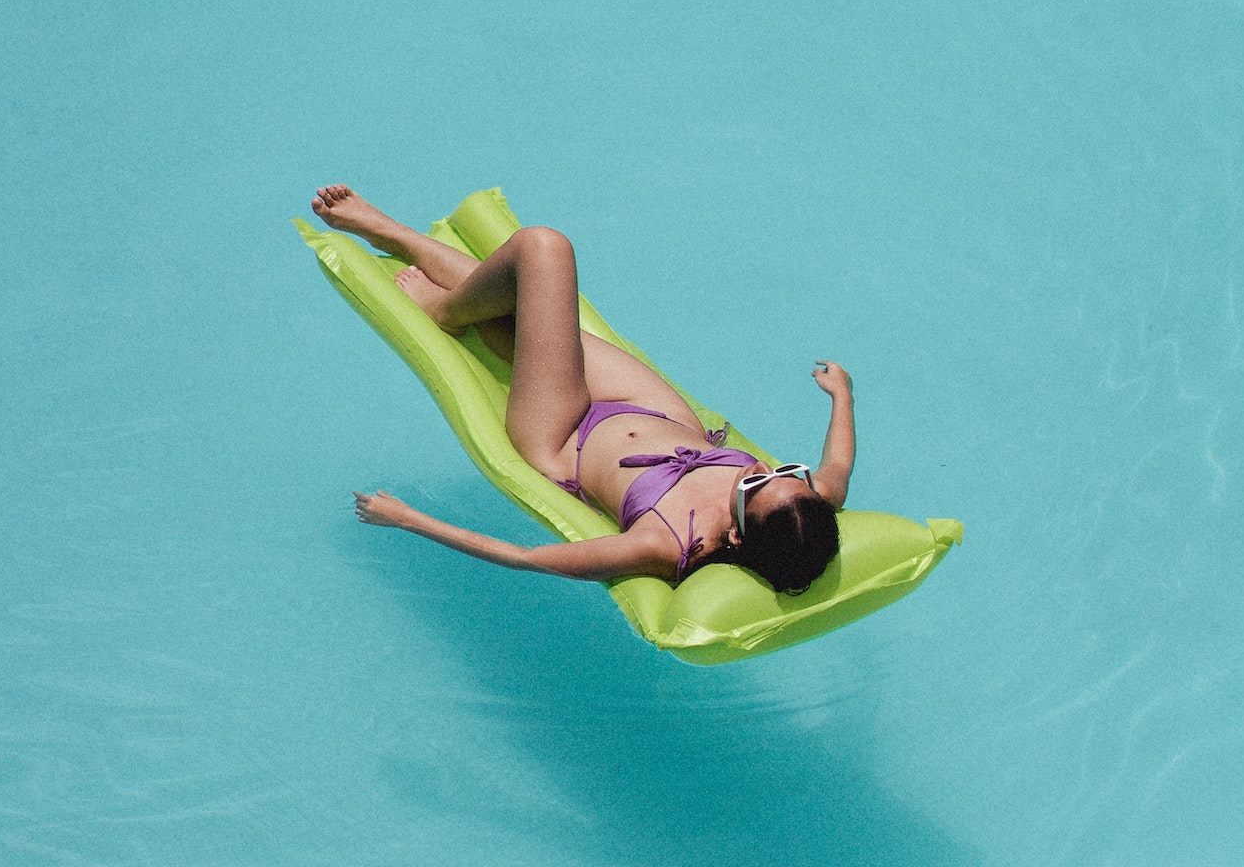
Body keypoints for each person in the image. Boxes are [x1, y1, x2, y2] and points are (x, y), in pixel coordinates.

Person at [311, 186, 856, 595]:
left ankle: (436, 296)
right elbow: (837, 468)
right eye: (787, 472)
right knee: (531, 307)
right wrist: (841, 396)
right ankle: (407, 245)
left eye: (755, 486)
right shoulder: (809, 503)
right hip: (657, 413)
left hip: (565, 433)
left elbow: (530, 558)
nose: (766, 469)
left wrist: (409, 520)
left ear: (736, 538)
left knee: (544, 250)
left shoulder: (664, 544)